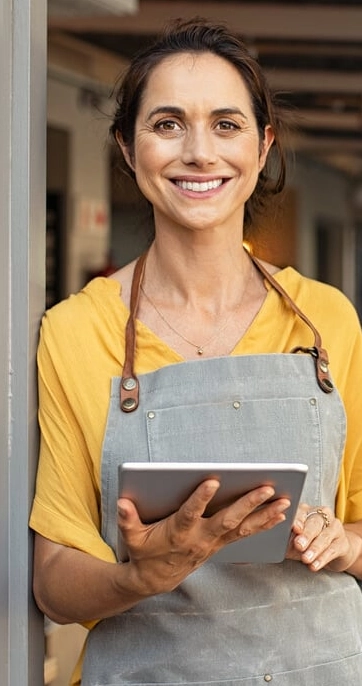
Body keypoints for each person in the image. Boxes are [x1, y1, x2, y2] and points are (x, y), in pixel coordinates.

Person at [30, 17, 362, 686]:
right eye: (167, 124)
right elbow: (54, 583)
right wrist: (139, 575)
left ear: (263, 145)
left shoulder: (329, 323)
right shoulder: (76, 331)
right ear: (128, 147)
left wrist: (349, 547)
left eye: (227, 124)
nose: (199, 152)